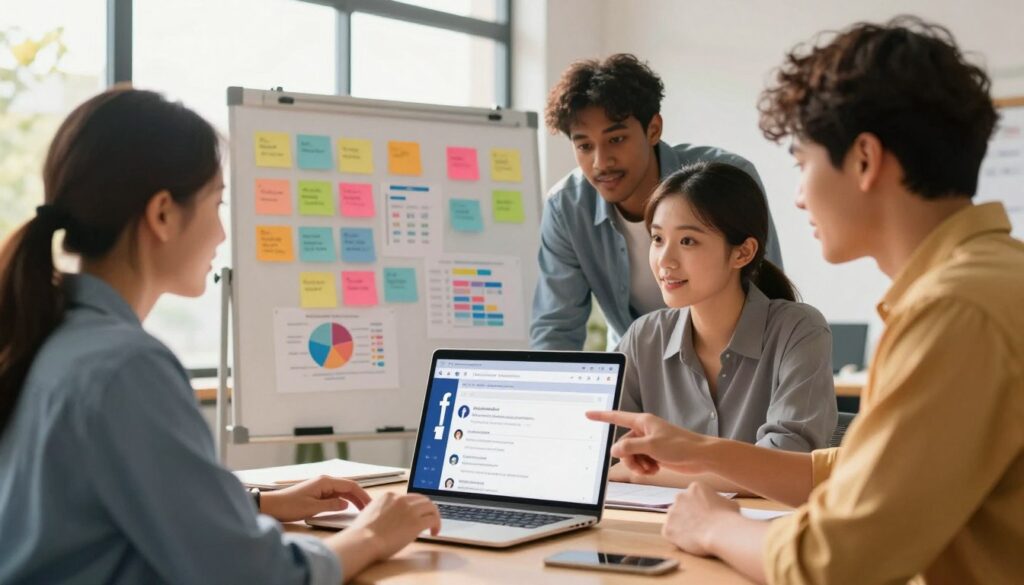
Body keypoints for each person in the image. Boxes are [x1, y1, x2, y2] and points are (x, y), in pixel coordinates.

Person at [588, 17, 1024, 584]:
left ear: (864, 160)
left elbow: (836, 563)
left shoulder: (955, 309)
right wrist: (701, 451)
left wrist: (714, 525)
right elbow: (854, 473)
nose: (796, 198)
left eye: (802, 165)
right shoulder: (989, 279)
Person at [0, 87, 440, 585]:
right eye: (217, 202)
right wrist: (372, 534)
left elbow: (106, 500)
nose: (222, 235)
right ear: (162, 214)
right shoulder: (125, 366)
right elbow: (250, 576)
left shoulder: (50, 335)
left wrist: (260, 503)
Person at [531, 53, 783, 350]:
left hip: (729, 363)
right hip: (636, 371)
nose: (601, 162)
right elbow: (556, 330)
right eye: (584, 145)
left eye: (616, 140)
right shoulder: (567, 207)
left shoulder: (725, 179)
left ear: (653, 129)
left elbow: (765, 294)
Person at [611, 162, 835, 492]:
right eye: (658, 239)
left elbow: (785, 464)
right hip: (660, 532)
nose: (665, 260)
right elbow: (600, 453)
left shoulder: (800, 330)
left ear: (742, 253)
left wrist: (635, 474)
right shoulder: (644, 336)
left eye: (688, 241)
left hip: (762, 537)